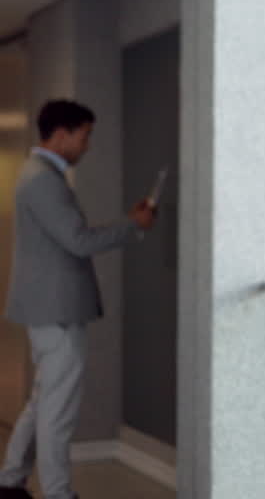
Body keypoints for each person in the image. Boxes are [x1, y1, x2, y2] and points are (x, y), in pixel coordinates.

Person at [0, 100, 157, 499]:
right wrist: (133, 225)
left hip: (51, 311)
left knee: (43, 403)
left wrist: (128, 223)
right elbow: (78, 240)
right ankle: (57, 493)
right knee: (58, 413)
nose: (87, 146)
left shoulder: (39, 176)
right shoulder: (42, 180)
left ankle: (11, 480)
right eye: (84, 136)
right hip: (58, 313)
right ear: (62, 133)